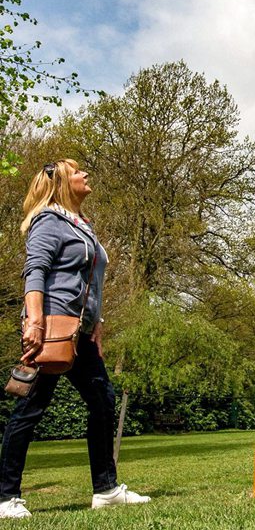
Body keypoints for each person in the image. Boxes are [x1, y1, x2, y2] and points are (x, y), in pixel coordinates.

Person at [0, 159, 150, 519]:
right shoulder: (48, 222)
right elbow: (35, 271)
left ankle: (106, 489)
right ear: (65, 182)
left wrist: (96, 321)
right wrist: (34, 321)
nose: (86, 174)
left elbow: (90, 282)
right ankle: (6, 498)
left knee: (102, 400)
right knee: (30, 409)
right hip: (51, 329)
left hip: (79, 332)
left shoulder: (81, 225)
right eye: (78, 171)